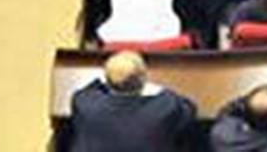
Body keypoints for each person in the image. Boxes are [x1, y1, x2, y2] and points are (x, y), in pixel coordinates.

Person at [69, 51, 197, 152]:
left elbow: (88, 90)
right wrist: (157, 89)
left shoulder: (84, 103)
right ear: (143, 78)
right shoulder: (166, 106)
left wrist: (111, 77)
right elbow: (190, 108)